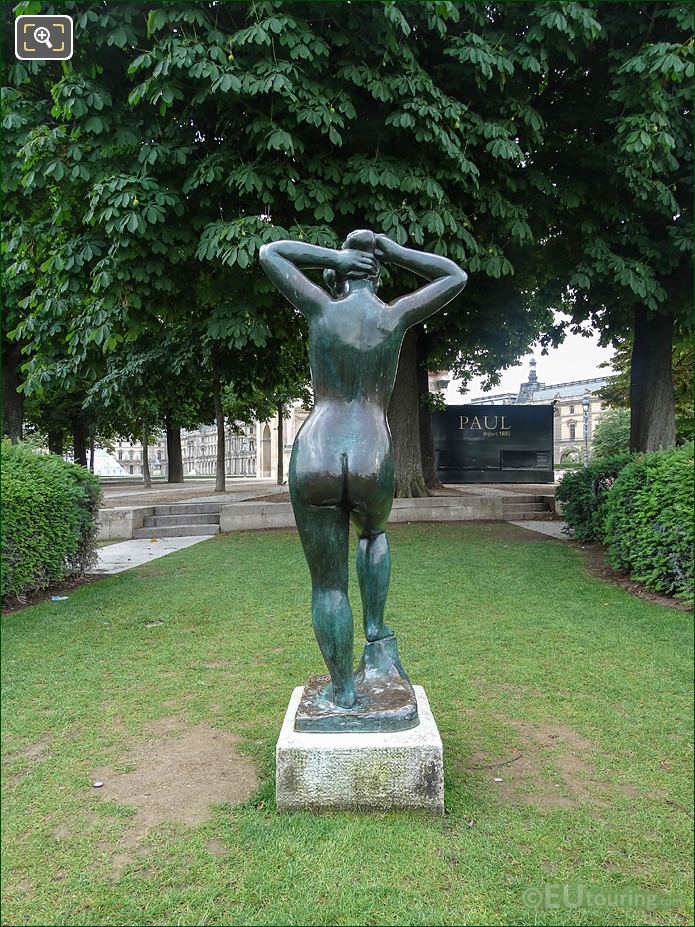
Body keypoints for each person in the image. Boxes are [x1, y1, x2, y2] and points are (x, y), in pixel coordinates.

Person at [259, 230, 467, 709]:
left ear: (335, 277)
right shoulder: (394, 316)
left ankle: (344, 692)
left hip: (317, 448)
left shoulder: (320, 308)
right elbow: (455, 275)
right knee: (373, 536)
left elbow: (271, 252)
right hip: (372, 448)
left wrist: (334, 256)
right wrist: (393, 251)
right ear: (377, 275)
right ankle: (375, 632)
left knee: (328, 585)